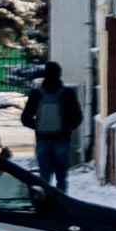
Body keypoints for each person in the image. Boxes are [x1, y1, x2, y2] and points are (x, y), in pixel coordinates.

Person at [24, 65, 78, 194]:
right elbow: (77, 117)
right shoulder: (67, 93)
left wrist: (38, 127)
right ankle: (62, 201)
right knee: (62, 177)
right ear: (59, 74)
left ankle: (45, 201)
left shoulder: (36, 94)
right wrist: (65, 128)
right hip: (62, 139)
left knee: (44, 176)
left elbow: (25, 118)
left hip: (42, 140)